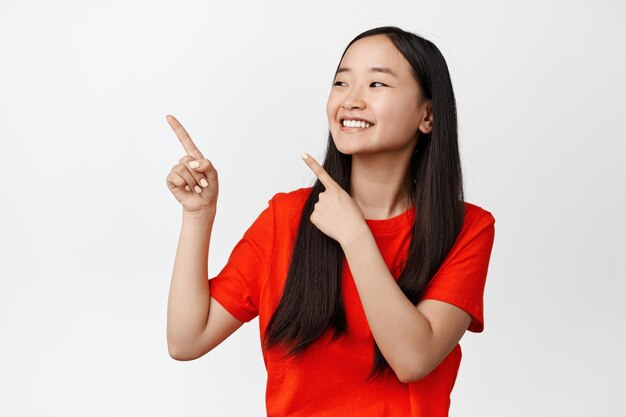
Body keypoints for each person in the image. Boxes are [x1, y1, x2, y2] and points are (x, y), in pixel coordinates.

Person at [165, 26, 496, 417]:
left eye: (376, 84)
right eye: (341, 82)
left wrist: (355, 236)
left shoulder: (467, 227)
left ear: (427, 115)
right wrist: (198, 215)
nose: (351, 100)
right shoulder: (285, 218)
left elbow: (413, 359)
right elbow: (186, 340)